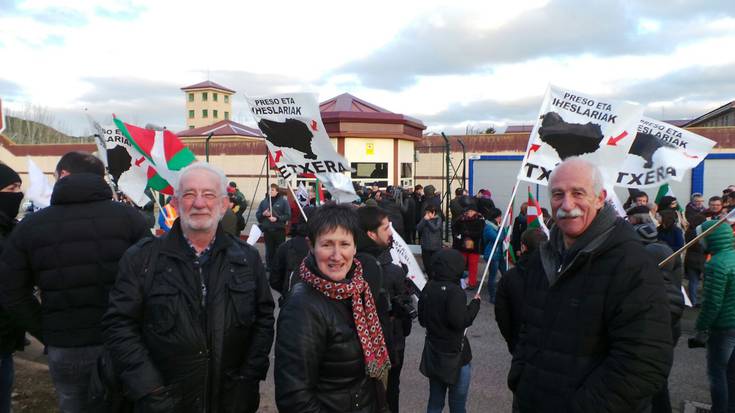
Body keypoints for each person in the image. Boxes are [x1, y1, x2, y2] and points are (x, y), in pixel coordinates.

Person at [103, 162, 275, 412]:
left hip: (230, 400)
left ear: (223, 204)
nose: (199, 203)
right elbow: (119, 325)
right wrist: (149, 390)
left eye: (208, 195)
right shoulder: (141, 259)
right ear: (174, 202)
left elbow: (264, 321)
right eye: (189, 194)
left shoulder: (247, 260)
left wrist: (248, 380)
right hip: (162, 402)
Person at [509, 157, 673, 412]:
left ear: (600, 198)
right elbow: (529, 329)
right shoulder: (545, 257)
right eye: (557, 194)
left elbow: (644, 362)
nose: (566, 204)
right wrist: (520, 380)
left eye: (578, 193)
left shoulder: (631, 263)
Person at [0, 152, 150, 413]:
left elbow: (12, 292)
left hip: (66, 346)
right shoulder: (130, 219)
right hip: (124, 341)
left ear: (64, 176)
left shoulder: (31, 226)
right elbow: (153, 278)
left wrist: (45, 330)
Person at [274, 204, 391, 413]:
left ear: (355, 247)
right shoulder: (302, 306)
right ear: (311, 246)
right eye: (327, 244)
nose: (337, 256)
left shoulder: (357, 289)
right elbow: (295, 399)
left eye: (345, 244)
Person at [357, 206, 413, 413]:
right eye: (386, 228)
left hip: (389, 342)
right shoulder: (378, 269)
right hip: (386, 346)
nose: (391, 232)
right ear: (371, 234)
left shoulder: (388, 264)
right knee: (386, 393)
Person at [418, 248, 480, 413]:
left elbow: (422, 320)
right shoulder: (455, 291)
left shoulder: (428, 288)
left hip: (434, 352)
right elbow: (460, 321)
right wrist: (474, 306)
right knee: (458, 405)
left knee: (435, 402)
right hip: (456, 355)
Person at [632, 221, 685, 413]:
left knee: (655, 384)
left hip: (657, 342)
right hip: (668, 337)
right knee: (659, 382)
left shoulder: (659, 288)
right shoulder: (666, 257)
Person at [689, 219, 735, 413]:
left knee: (718, 373)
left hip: (724, 327)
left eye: (702, 237)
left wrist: (700, 327)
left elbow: (712, 303)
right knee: (732, 374)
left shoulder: (716, 264)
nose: (700, 241)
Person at [495, 228, 547, 354]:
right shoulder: (557, 273)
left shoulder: (509, 277)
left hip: (519, 341)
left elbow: (501, 314)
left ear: (523, 247)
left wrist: (511, 339)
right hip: (546, 344)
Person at [0, 164, 26, 413]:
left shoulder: (12, 230)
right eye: (11, 188)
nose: (17, 194)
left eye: (19, 187)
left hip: (6, 337)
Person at [270, 206, 312, 306]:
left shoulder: (285, 247)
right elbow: (275, 279)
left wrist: (286, 291)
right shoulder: (322, 248)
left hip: (289, 301)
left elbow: (275, 279)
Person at [256, 183, 291, 271]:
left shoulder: (283, 201)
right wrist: (263, 214)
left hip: (279, 230)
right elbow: (258, 215)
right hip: (268, 230)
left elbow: (288, 215)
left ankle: (279, 267)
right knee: (269, 250)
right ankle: (269, 267)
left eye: (272, 190)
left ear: (277, 191)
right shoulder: (264, 202)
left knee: (280, 249)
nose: (270, 192)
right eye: (269, 190)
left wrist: (277, 219)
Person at [451, 201, 485, 289]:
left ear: (475, 212)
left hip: (474, 247)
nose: (469, 213)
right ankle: (459, 280)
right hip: (462, 246)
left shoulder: (480, 220)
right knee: (460, 265)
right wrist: (459, 235)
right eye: (468, 211)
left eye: (471, 211)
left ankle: (472, 283)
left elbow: (479, 233)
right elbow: (455, 228)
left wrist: (467, 234)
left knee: (473, 266)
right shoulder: (461, 219)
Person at [482, 207, 506, 303]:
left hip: (499, 254)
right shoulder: (488, 227)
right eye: (500, 216)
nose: (501, 218)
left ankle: (503, 293)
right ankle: (493, 296)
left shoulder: (496, 226)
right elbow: (498, 239)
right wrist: (501, 229)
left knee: (505, 273)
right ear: (495, 217)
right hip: (492, 255)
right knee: (493, 275)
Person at [684, 213, 707, 307]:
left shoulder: (688, 231)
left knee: (693, 281)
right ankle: (703, 301)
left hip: (690, 258)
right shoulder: (703, 232)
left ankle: (693, 301)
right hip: (702, 258)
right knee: (706, 281)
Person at [417, 204, 443, 278]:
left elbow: (435, 228)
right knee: (427, 265)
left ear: (433, 212)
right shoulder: (424, 219)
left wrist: (427, 221)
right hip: (425, 246)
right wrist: (423, 220)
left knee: (435, 264)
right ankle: (430, 278)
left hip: (435, 246)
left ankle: (435, 278)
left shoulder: (438, 219)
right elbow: (418, 228)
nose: (427, 214)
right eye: (426, 213)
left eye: (429, 213)